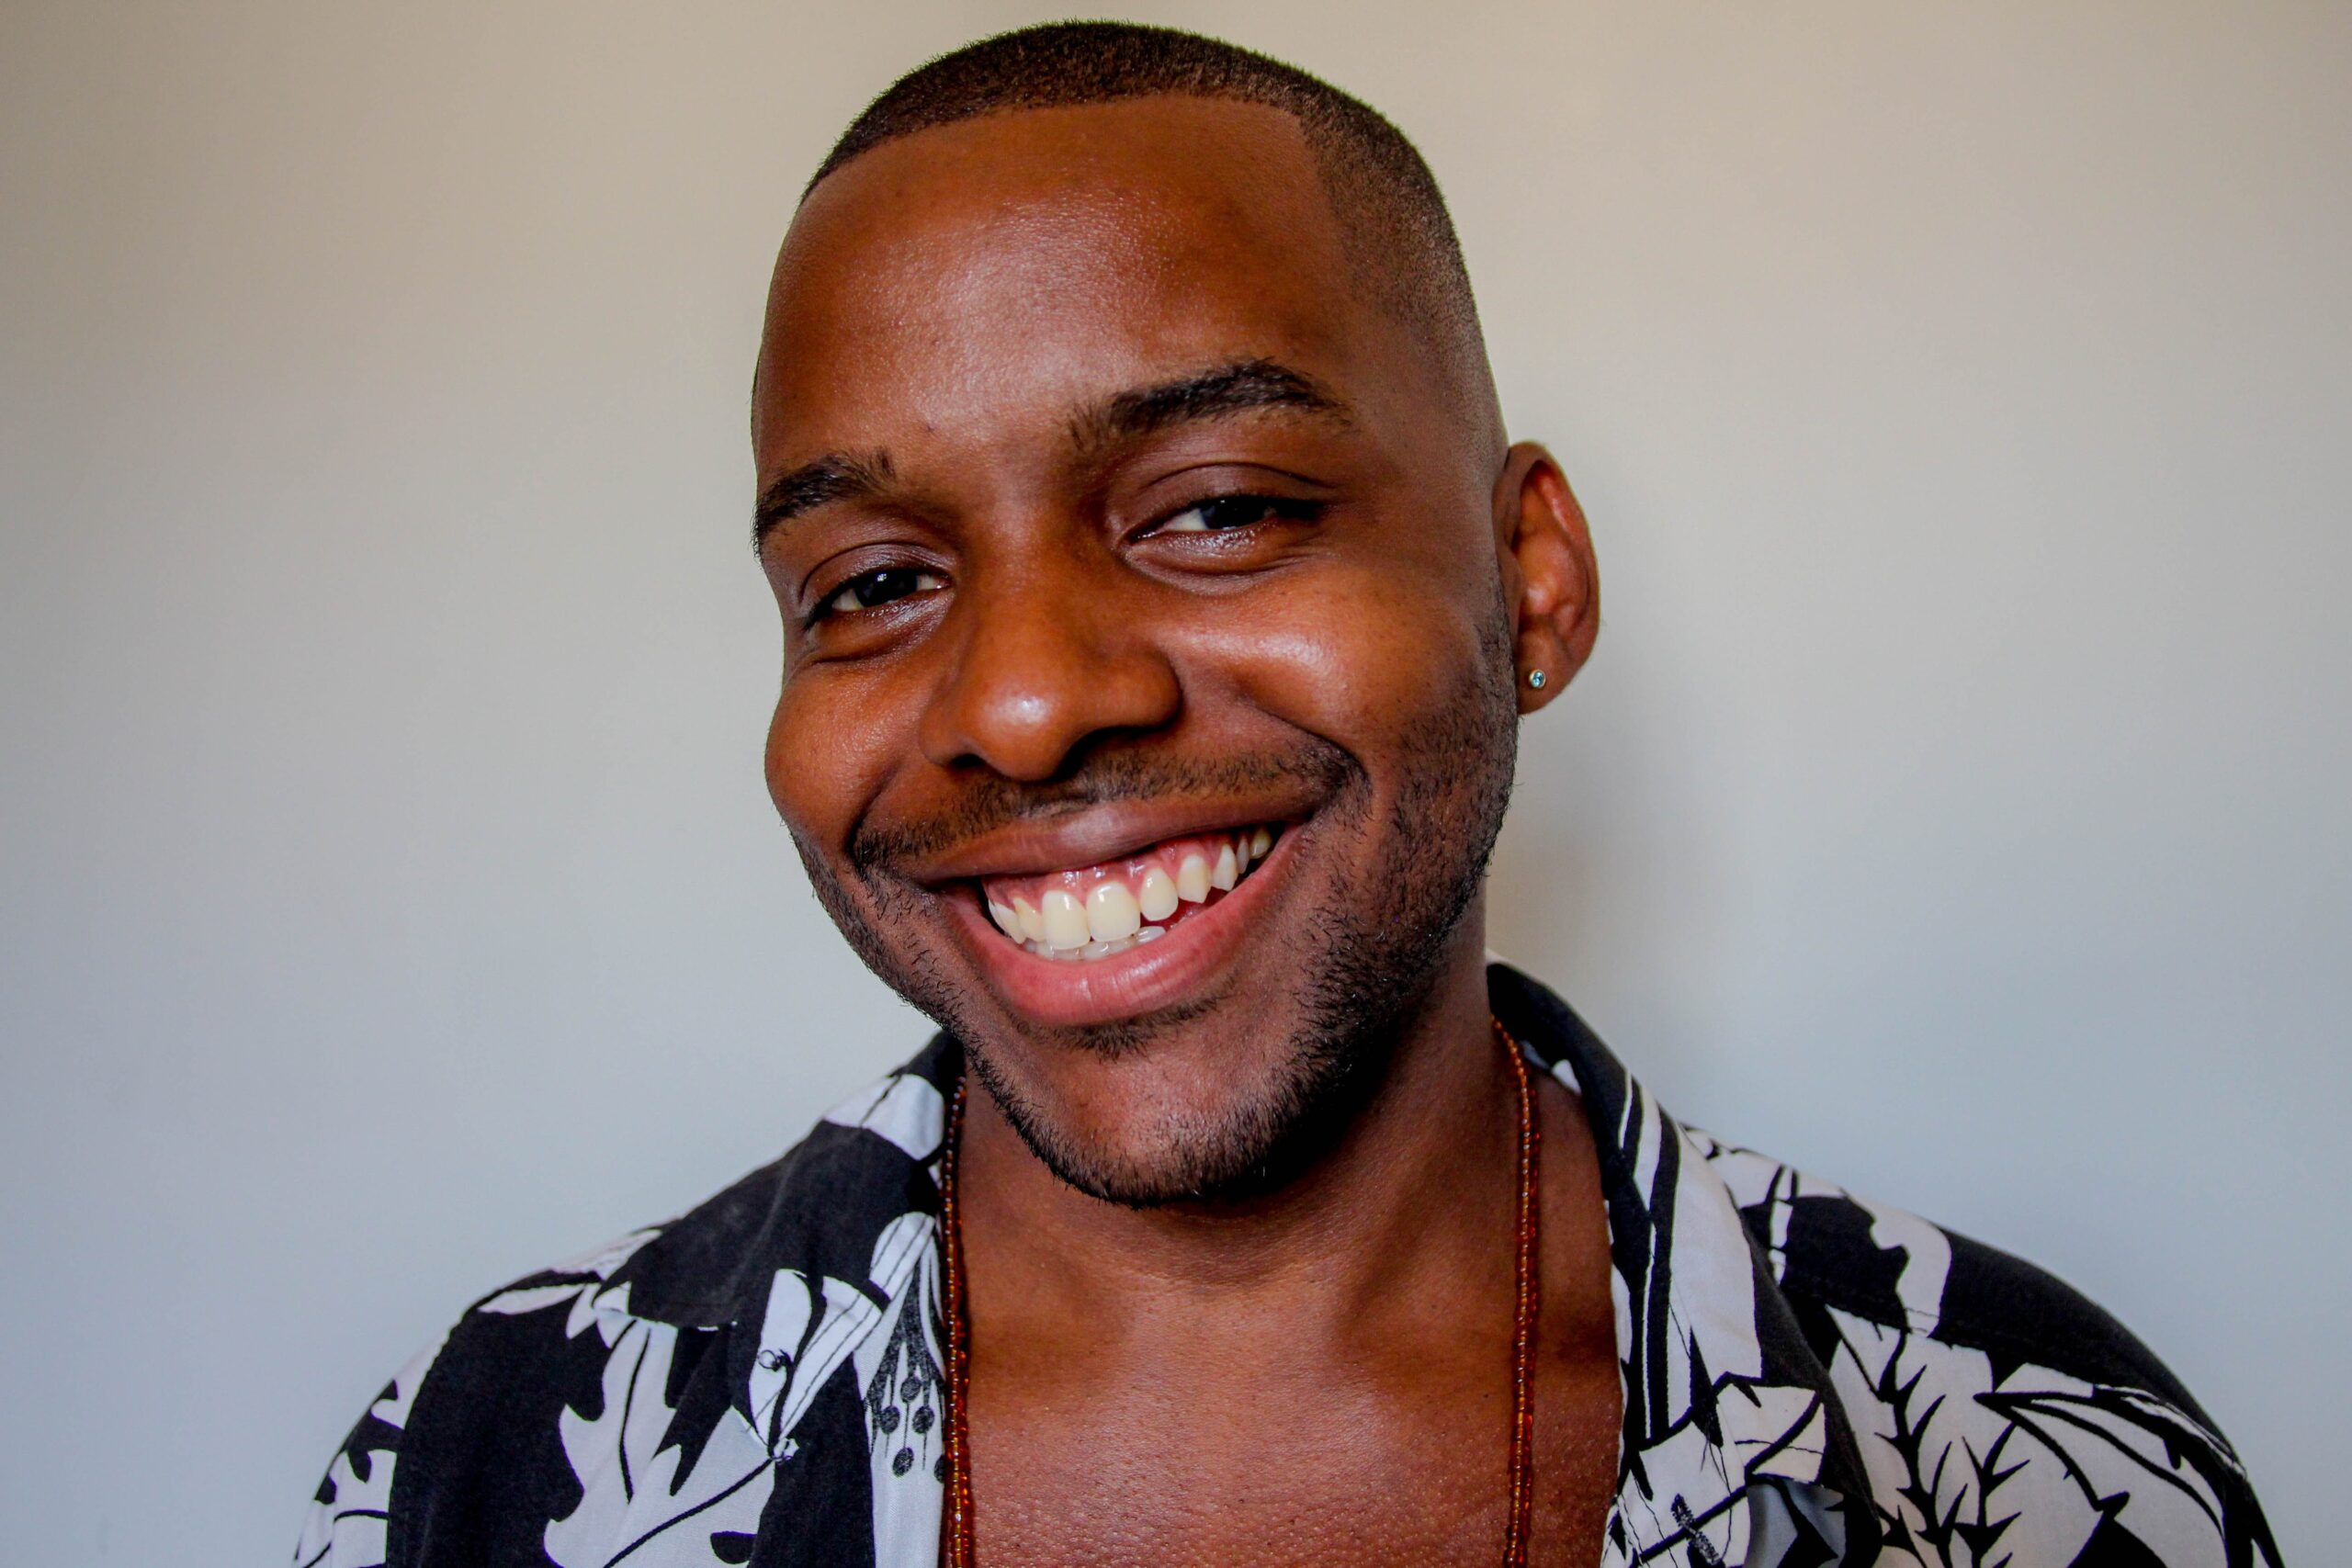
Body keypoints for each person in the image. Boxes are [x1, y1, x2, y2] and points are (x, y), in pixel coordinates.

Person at [294, 22, 2278, 1568]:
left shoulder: (2031, 1466)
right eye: (873, 585)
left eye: (1220, 507)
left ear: (1529, 579)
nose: (1024, 703)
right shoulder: (479, 1473)